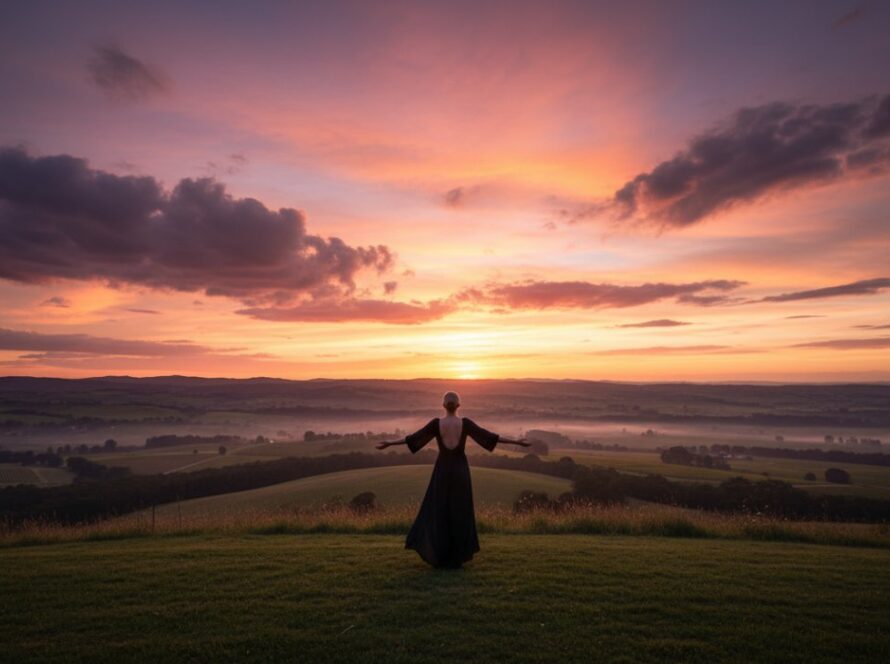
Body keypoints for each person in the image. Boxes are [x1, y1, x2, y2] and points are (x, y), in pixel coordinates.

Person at [375, 391, 529, 568]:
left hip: (442, 470)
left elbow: (413, 438)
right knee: (460, 511)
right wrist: (518, 442)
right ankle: (457, 557)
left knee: (439, 511)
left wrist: (389, 443)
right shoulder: (465, 423)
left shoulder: (436, 424)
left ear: (443, 405)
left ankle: (440, 556)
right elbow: (490, 437)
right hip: (460, 471)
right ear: (458, 406)